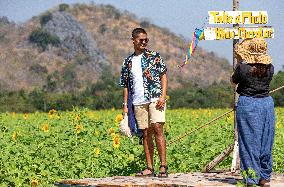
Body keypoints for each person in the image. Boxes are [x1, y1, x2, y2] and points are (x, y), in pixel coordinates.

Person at [119, 28, 168, 177]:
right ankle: (149, 167)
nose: (144, 42)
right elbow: (126, 85)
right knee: (145, 134)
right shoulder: (128, 62)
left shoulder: (155, 56)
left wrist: (162, 96)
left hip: (155, 98)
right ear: (133, 40)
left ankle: (163, 166)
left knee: (158, 128)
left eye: (146, 40)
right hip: (138, 101)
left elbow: (163, 76)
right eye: (141, 40)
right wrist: (125, 106)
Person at [231, 38, 275, 187]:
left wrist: (239, 61)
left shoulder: (243, 68)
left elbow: (233, 80)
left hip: (248, 104)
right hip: (266, 104)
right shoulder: (270, 67)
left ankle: (251, 179)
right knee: (265, 141)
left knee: (249, 142)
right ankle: (264, 178)